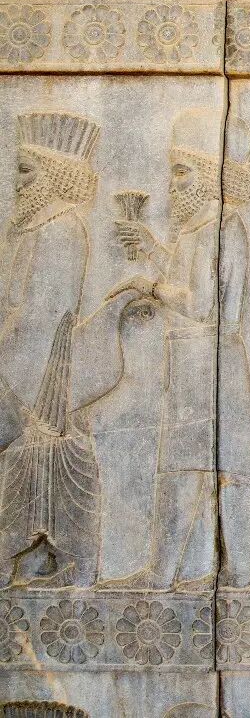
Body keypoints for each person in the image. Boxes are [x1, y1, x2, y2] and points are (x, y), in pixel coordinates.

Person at [102, 109, 250, 591]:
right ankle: (174, 573)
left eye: (181, 171)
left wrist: (148, 284)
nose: (172, 185)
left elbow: (204, 306)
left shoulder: (219, 226)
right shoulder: (200, 228)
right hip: (196, 362)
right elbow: (190, 281)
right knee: (193, 469)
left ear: (209, 174)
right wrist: (152, 249)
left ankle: (217, 576)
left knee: (207, 471)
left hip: (210, 362)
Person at [0, 112, 100, 588]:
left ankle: (45, 554)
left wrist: (9, 361)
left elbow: (40, 314)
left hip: (41, 370)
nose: (17, 182)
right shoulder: (33, 228)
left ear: (55, 174)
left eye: (26, 170)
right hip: (26, 358)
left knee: (38, 456)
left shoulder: (61, 229)